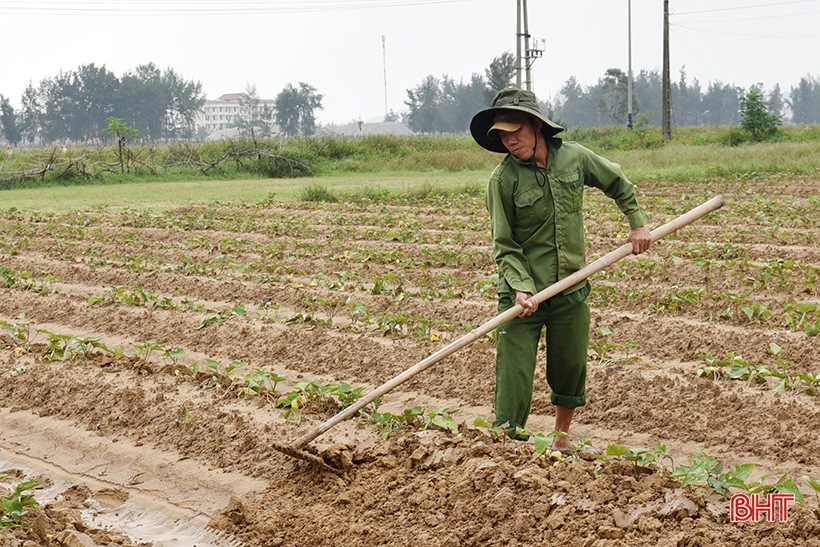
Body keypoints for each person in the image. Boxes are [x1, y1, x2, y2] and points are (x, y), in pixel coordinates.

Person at [469, 88, 652, 453]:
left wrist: (637, 224)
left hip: (571, 287)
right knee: (514, 371)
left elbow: (617, 181)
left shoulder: (574, 159)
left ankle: (562, 438)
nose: (510, 141)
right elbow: (504, 245)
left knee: (570, 366)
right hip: (522, 295)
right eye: (502, 135)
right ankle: (506, 445)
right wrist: (521, 288)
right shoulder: (502, 181)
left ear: (536, 125)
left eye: (515, 131)